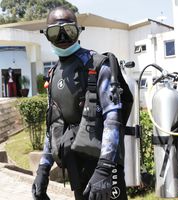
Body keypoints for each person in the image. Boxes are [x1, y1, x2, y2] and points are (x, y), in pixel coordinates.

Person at [32, 6, 128, 200]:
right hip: (77, 166)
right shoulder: (53, 74)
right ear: (46, 35)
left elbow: (112, 118)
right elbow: (53, 125)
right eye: (54, 33)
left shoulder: (98, 65)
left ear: (78, 30)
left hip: (105, 167)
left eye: (68, 30)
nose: (62, 38)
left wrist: (104, 168)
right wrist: (43, 169)